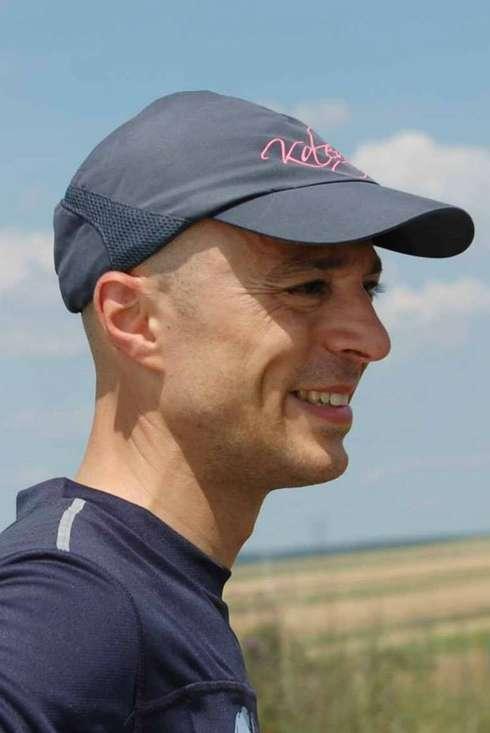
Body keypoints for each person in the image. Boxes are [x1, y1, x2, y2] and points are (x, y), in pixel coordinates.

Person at [0, 90, 474, 732]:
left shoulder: (156, 594)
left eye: (368, 287)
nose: (373, 339)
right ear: (134, 320)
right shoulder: (67, 605)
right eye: (307, 286)